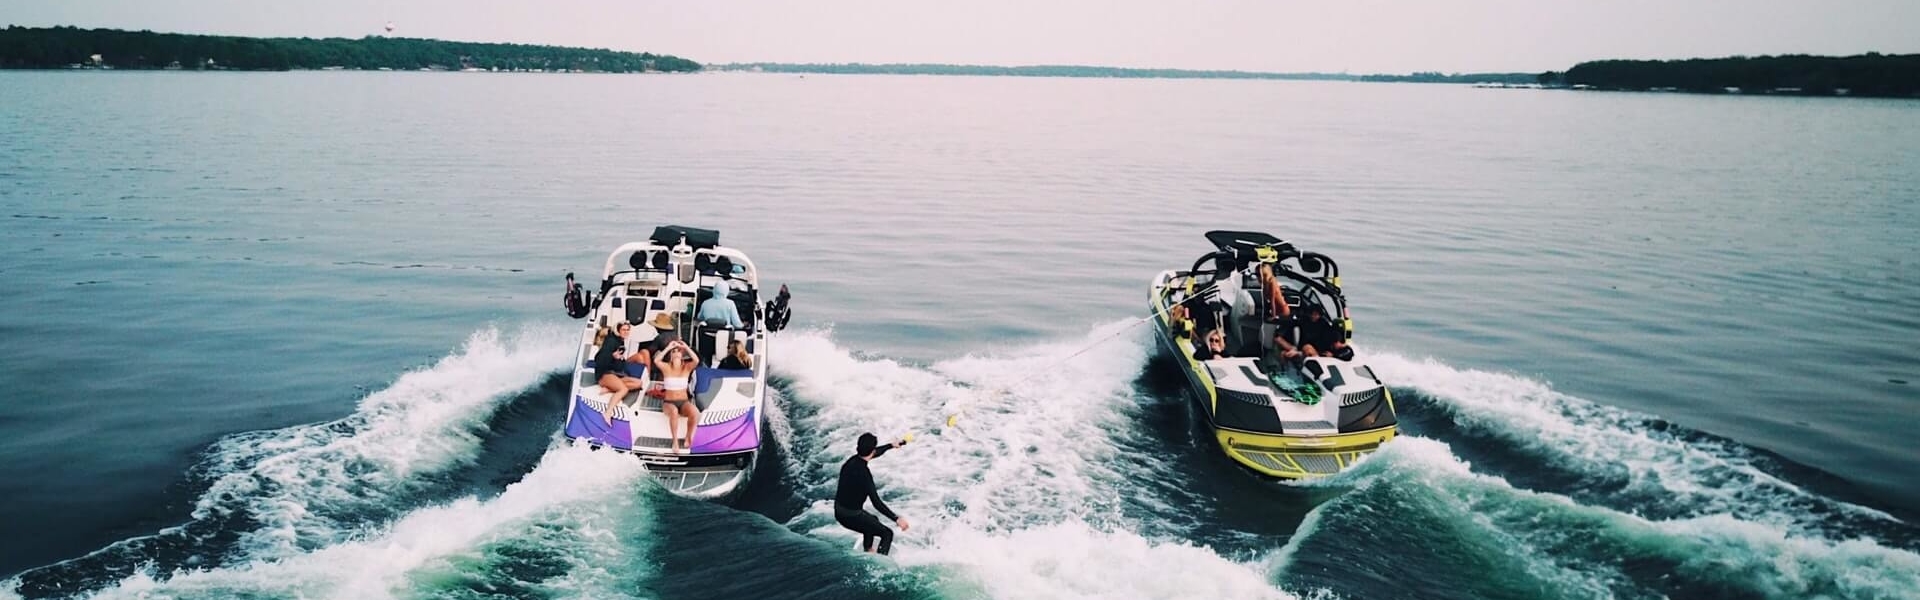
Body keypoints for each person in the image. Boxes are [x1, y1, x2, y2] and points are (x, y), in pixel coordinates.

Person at [835, 432, 910, 555]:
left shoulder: (851, 461)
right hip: (850, 517)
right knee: (887, 533)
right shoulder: (864, 474)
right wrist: (896, 518)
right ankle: (880, 562)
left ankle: (868, 549)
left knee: (872, 520)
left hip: (839, 511)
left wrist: (891, 445)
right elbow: (876, 502)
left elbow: (875, 452)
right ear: (872, 450)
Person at [653, 337, 702, 452]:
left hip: (684, 402)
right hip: (669, 403)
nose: (676, 353)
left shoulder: (686, 368)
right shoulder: (666, 367)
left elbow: (696, 360)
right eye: (673, 352)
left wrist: (686, 347)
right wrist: (668, 347)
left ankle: (689, 436)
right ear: (670, 356)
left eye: (678, 351)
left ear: (682, 355)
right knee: (674, 412)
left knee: (695, 413)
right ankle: (675, 441)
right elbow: (656, 361)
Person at [593, 324, 644, 425]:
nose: (626, 332)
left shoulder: (620, 342)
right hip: (604, 375)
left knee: (639, 383)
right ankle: (607, 413)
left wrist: (618, 359)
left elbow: (619, 367)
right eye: (623, 330)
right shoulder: (611, 342)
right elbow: (599, 360)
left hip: (614, 375)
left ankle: (610, 388)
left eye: (627, 330)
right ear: (618, 331)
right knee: (623, 389)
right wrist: (612, 357)